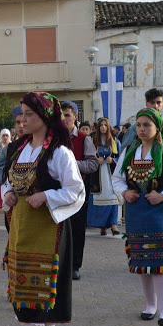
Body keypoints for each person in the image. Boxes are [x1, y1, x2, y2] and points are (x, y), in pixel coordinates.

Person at [0, 92, 84, 326]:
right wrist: (7, 194)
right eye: (21, 114)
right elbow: (9, 182)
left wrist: (47, 195)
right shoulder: (20, 148)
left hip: (49, 233)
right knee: (34, 296)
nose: (23, 120)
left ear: (45, 117)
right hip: (22, 231)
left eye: (29, 115)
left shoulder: (60, 152)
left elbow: (76, 190)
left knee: (35, 298)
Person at [112, 108, 163, 326]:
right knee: (141, 259)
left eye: (147, 125)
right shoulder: (129, 150)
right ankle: (150, 305)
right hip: (137, 213)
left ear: (157, 128)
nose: (142, 129)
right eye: (139, 125)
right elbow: (117, 179)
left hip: (161, 214)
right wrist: (125, 193)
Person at [61, 101, 98, 281]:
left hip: (77, 194)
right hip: (57, 192)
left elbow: (92, 163)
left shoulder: (84, 139)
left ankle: (75, 265)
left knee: (76, 230)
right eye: (61, 115)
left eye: (67, 115)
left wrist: (72, 164)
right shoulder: (53, 138)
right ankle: (59, 264)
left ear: (75, 117)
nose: (64, 119)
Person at [121, 88, 163, 160]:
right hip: (140, 169)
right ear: (147, 104)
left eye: (158, 102)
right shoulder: (135, 128)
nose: (155, 106)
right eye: (152, 102)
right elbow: (124, 154)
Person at [87, 117, 121, 236]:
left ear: (108, 127)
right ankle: (102, 225)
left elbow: (121, 159)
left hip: (110, 174)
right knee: (99, 199)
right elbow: (88, 157)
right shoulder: (92, 141)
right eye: (101, 125)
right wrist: (96, 160)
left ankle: (113, 224)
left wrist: (113, 160)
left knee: (113, 198)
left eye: (105, 125)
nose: (103, 127)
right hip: (98, 175)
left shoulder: (115, 141)